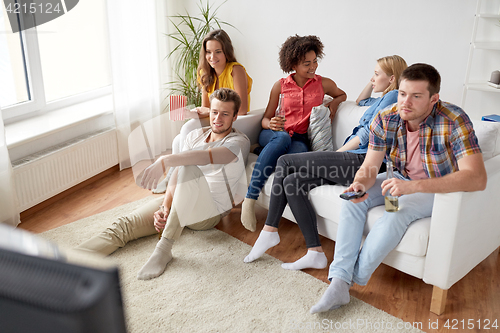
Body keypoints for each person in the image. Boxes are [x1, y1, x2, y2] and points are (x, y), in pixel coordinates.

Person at [310, 63, 487, 313]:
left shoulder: (453, 120)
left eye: (416, 96)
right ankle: (338, 282)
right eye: (403, 94)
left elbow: (477, 178)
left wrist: (413, 187)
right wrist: (360, 183)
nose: (406, 102)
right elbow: (371, 165)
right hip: (396, 179)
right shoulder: (387, 116)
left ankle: (346, 283)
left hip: (436, 190)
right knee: (351, 199)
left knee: (396, 214)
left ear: (433, 99)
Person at [243, 56, 408, 271]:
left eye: (377, 73)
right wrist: (373, 81)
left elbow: (368, 134)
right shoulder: (381, 99)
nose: (373, 77)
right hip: (354, 161)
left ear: (393, 78)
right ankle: (315, 253)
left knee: (285, 162)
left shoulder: (394, 95)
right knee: (293, 182)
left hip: (360, 160)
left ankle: (269, 231)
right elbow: (359, 101)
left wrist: (338, 154)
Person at [75, 88, 250, 280]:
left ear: (234, 117)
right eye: (215, 112)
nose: (218, 118)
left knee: (188, 167)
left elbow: (206, 157)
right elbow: (177, 174)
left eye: (225, 114)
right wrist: (165, 208)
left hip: (208, 213)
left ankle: (164, 248)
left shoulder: (238, 142)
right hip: (180, 202)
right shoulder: (195, 136)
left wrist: (166, 160)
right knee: (125, 225)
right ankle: (70, 260)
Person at [240, 35, 347, 231]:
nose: (313, 66)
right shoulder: (279, 86)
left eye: (315, 61)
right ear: (293, 64)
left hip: (299, 138)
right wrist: (270, 123)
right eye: (307, 63)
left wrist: (335, 102)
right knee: (281, 139)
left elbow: (342, 94)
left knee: (297, 159)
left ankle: (261, 152)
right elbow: (265, 119)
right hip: (275, 134)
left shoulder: (323, 84)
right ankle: (250, 197)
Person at [153, 29, 252, 194]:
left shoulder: (236, 70)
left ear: (226, 52)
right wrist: (192, 114)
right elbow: (206, 108)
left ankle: (171, 177)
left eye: (218, 52)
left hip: (234, 119)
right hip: (216, 119)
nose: (212, 57)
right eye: (208, 52)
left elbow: (241, 108)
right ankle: (174, 177)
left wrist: (212, 111)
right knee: (178, 141)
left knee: (186, 130)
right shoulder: (205, 74)